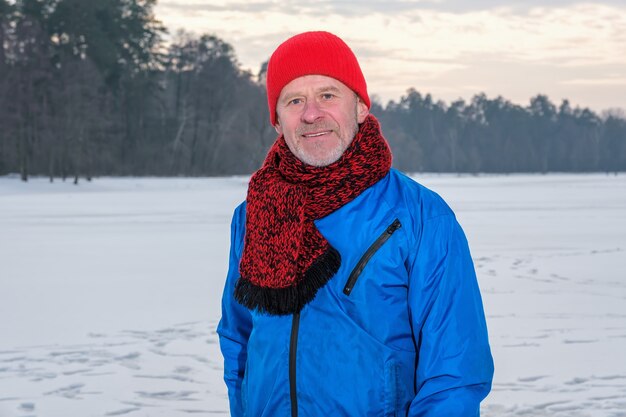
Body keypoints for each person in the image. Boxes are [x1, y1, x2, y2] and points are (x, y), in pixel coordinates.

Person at [217, 31, 494, 417]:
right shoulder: (253, 216)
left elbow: (455, 371)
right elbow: (239, 342)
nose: (311, 114)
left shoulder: (420, 216)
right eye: (295, 100)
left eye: (328, 95)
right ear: (278, 121)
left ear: (361, 107)